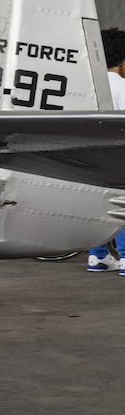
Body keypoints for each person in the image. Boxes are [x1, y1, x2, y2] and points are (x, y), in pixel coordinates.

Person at [86, 28, 125, 273]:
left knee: (98, 206)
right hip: (118, 155)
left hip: (88, 156)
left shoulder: (86, 85)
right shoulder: (122, 87)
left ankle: (97, 255)